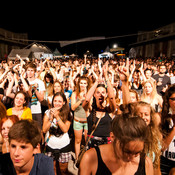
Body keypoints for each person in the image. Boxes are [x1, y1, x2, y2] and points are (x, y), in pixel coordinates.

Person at [79, 114, 154, 175]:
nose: (131, 158)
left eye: (137, 153)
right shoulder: (91, 158)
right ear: (112, 137)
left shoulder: (146, 163)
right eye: (127, 152)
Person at [82, 61, 116, 149]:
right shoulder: (89, 110)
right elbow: (86, 100)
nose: (100, 94)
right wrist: (97, 82)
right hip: (92, 143)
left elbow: (112, 98)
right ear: (94, 94)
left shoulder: (110, 111)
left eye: (103, 92)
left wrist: (106, 78)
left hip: (106, 144)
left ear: (106, 94)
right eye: (98, 92)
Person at [42, 92, 73, 175]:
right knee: (52, 169)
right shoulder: (47, 112)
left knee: (63, 170)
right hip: (50, 145)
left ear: (64, 102)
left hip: (63, 145)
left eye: (59, 101)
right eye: (55, 101)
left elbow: (65, 129)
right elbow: (44, 130)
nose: (57, 103)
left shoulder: (68, 113)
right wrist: (51, 118)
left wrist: (57, 117)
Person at [71, 76, 91, 160]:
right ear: (78, 84)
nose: (83, 85)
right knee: (78, 141)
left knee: (87, 141)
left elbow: (90, 108)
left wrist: (87, 99)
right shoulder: (74, 94)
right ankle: (77, 159)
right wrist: (80, 99)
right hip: (77, 121)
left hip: (87, 121)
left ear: (87, 85)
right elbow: (72, 108)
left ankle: (88, 159)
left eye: (84, 83)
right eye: (81, 83)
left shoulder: (90, 93)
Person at [160, 84, 175, 175]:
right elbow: (162, 147)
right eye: (173, 99)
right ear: (168, 101)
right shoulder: (161, 118)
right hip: (164, 161)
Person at [26, 62, 45, 128]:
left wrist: (36, 90)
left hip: (36, 110)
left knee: (38, 132)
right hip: (25, 110)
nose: (30, 72)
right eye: (28, 70)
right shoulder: (23, 82)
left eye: (32, 70)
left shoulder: (40, 82)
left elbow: (41, 99)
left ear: (34, 72)